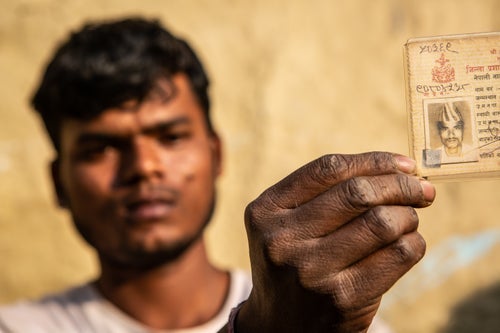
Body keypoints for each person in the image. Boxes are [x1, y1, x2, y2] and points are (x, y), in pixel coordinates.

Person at [0, 17, 435, 332]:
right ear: (58, 183)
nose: (143, 167)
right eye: (100, 149)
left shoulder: (328, 319)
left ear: (216, 154)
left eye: (169, 137)